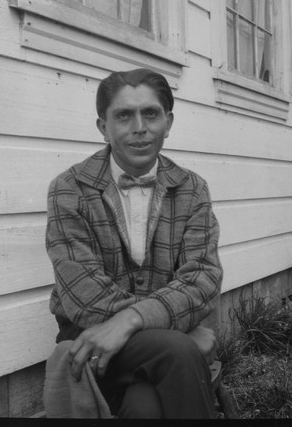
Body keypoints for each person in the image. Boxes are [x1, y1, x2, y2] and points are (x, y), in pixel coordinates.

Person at [45, 68, 223, 419]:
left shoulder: (192, 188)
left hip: (161, 344)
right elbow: (83, 295)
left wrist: (132, 320)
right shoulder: (69, 189)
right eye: (124, 115)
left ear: (168, 123)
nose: (139, 127)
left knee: (144, 408)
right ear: (103, 127)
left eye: (151, 114)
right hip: (92, 342)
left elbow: (202, 279)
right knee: (178, 352)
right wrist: (180, 332)